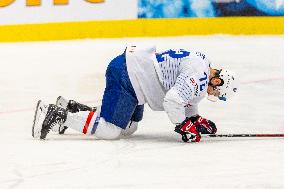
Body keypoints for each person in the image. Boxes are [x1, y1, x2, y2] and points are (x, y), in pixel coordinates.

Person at [32, 45, 238, 143]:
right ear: (217, 80)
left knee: (130, 128)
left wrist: (194, 118)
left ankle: (75, 110)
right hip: (129, 77)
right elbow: (173, 100)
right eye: (216, 91)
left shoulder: (202, 65)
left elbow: (185, 96)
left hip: (135, 77)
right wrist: (183, 125)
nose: (212, 93)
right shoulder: (199, 76)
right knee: (110, 131)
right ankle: (56, 114)